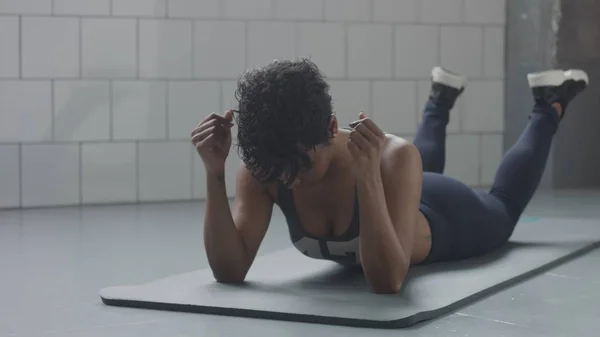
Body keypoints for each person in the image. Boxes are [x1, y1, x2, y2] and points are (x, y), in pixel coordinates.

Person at [191, 59, 588, 294]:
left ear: (331, 129)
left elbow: (386, 282)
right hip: (397, 188)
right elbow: (230, 270)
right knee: (410, 163)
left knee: (502, 205)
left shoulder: (389, 159)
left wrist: (368, 179)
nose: (289, 181)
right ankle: (441, 99)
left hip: (445, 215)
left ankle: (548, 103)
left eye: (300, 166)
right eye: (278, 171)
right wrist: (214, 174)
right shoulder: (268, 168)